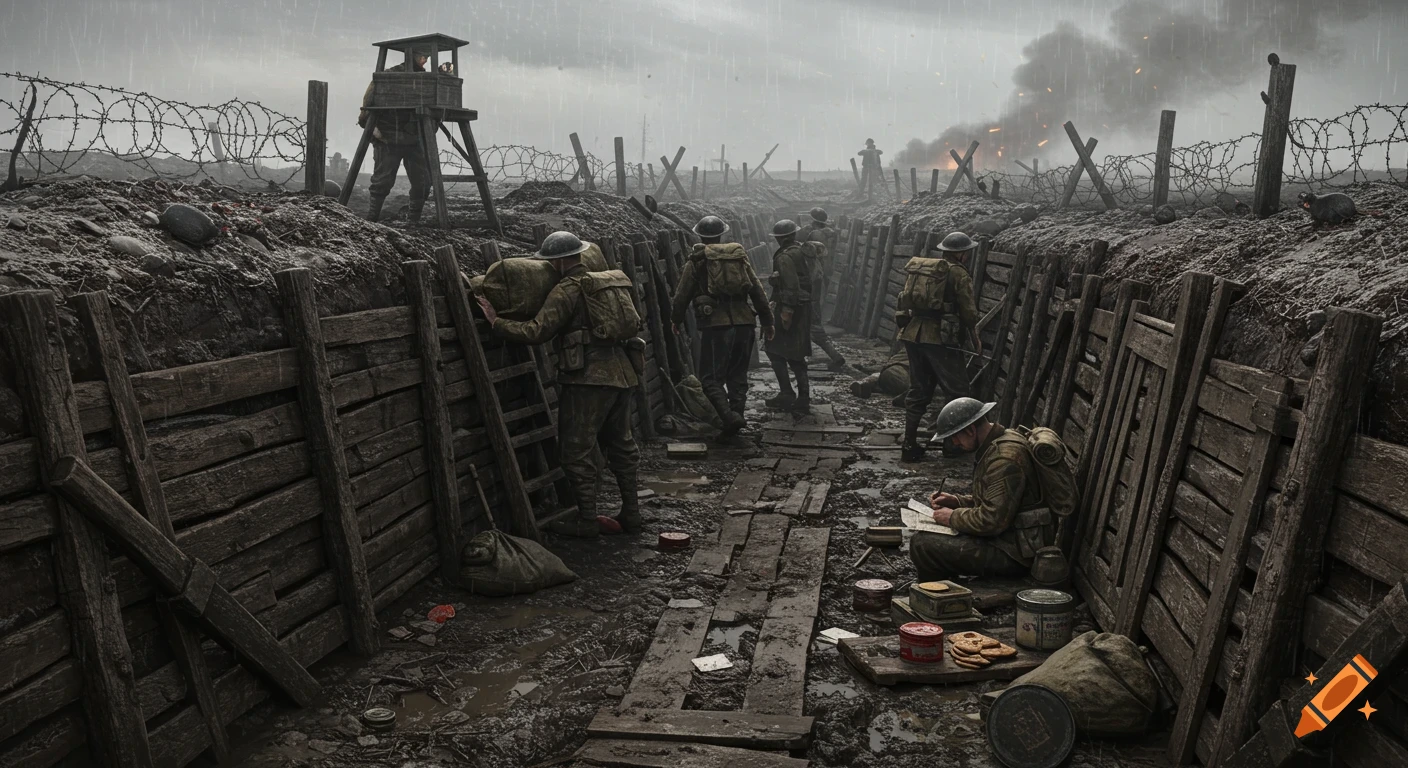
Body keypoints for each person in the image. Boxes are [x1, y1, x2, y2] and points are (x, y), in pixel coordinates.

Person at [477, 231, 643, 538]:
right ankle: (632, 514)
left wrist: (497, 323)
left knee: (574, 450)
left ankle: (588, 520)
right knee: (622, 444)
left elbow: (537, 330)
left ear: (559, 261)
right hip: (623, 373)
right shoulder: (605, 283)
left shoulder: (567, 289)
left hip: (587, 380)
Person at [911, 397, 1056, 581]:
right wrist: (957, 501)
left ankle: (942, 600)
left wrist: (952, 517)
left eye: (956, 436)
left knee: (922, 545)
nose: (955, 443)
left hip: (1015, 554)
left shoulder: (1004, 459)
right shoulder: (997, 444)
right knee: (927, 538)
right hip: (1009, 541)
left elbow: (992, 520)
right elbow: (998, 500)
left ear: (971, 430)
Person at [670, 216, 775, 437]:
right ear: (722, 234)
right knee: (738, 375)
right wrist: (767, 321)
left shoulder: (697, 261)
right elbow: (757, 290)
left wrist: (675, 319)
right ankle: (735, 419)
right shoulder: (739, 258)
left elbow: (682, 295)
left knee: (710, 378)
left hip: (716, 326)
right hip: (745, 322)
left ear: (700, 235)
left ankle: (729, 418)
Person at [895, 231, 982, 462]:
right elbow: (968, 312)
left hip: (912, 333)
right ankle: (951, 444)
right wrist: (974, 334)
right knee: (957, 391)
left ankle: (909, 444)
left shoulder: (924, 268)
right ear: (962, 254)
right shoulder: (958, 274)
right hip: (941, 338)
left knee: (918, 389)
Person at [358, 48, 432, 223]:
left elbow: (432, 111)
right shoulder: (388, 77)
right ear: (411, 56)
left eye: (427, 57)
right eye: (422, 56)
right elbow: (368, 106)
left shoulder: (427, 81)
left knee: (422, 182)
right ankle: (371, 221)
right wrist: (375, 131)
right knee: (382, 182)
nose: (425, 61)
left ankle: (413, 222)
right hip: (388, 137)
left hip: (414, 137)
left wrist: (426, 131)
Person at [764, 220, 813, 415]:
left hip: (790, 306)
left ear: (780, 238)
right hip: (803, 305)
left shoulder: (784, 256)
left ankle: (788, 393)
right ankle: (803, 396)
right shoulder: (802, 251)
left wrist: (787, 312)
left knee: (774, 349)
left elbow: (791, 285)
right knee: (797, 352)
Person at [798, 207, 846, 371]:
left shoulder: (812, 233)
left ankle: (800, 357)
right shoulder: (831, 233)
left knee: (809, 319)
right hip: (824, 268)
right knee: (818, 300)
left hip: (810, 272)